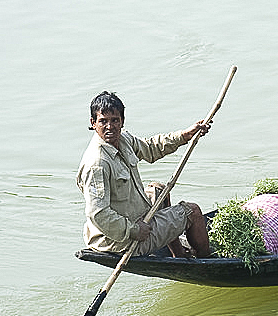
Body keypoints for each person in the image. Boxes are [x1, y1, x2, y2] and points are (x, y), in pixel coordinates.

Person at [77, 91, 213, 259]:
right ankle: (206, 261)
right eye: (103, 121)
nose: (110, 127)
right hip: (122, 242)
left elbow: (150, 148)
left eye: (115, 120)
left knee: (159, 190)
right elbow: (98, 214)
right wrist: (134, 230)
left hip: (136, 217)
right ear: (93, 123)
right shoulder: (97, 164)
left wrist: (185, 135)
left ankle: (178, 253)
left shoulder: (123, 140)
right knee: (193, 212)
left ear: (122, 121)